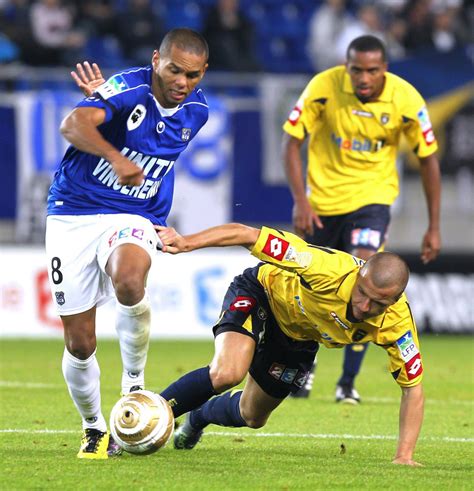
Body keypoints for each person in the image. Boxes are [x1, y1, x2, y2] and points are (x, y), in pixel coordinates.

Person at [45, 28, 209, 459]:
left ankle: (133, 385)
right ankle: (94, 427)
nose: (182, 82)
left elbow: (155, 150)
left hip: (132, 216)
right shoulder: (126, 87)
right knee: (79, 344)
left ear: (202, 73)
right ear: (156, 60)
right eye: (174, 69)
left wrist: (115, 129)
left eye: (192, 75)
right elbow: (72, 124)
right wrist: (113, 147)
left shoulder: (198, 112)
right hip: (73, 212)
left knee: (131, 280)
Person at [154, 223, 425, 467]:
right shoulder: (322, 267)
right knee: (227, 373)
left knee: (253, 416)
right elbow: (247, 234)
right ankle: (145, 420)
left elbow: (412, 389)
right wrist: (187, 242)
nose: (364, 306)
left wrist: (404, 456)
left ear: (394, 300)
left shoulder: (397, 323)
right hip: (262, 294)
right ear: (359, 276)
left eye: (377, 303)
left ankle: (200, 415)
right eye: (362, 293)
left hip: (299, 337)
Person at [282, 34, 441, 403]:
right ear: (346, 66)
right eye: (356, 70)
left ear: (384, 68)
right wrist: (300, 201)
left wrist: (433, 225)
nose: (363, 78)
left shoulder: (406, 100)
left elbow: (428, 158)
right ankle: (305, 368)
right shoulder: (323, 86)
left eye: (372, 70)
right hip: (321, 203)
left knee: (365, 277)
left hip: (373, 200)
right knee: (312, 286)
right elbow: (291, 141)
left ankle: (347, 383)